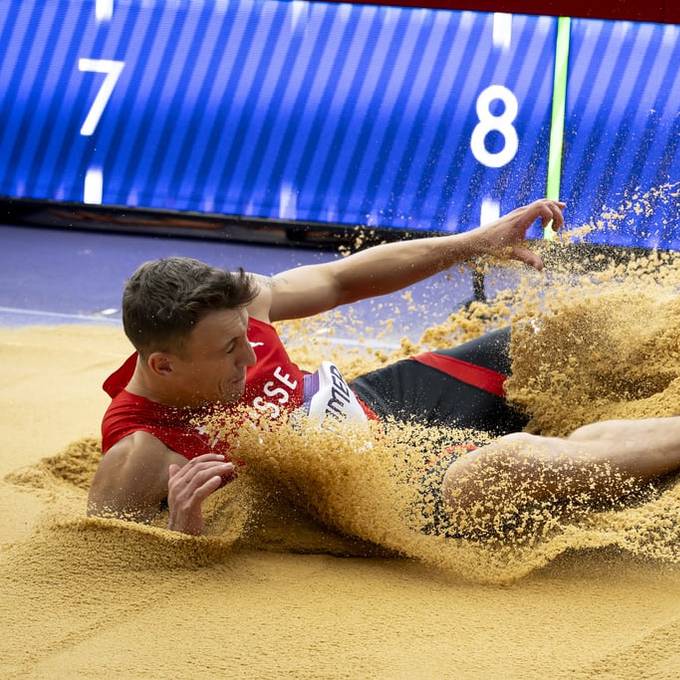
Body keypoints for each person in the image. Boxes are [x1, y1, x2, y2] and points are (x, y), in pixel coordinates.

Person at [87, 199, 680, 536]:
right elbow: (113, 561)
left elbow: (341, 279)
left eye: (248, 335)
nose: (252, 351)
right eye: (229, 352)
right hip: (375, 487)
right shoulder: (139, 452)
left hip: (383, 402)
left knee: (554, 339)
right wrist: (184, 532)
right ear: (163, 365)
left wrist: (475, 242)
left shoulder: (228, 311)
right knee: (500, 470)